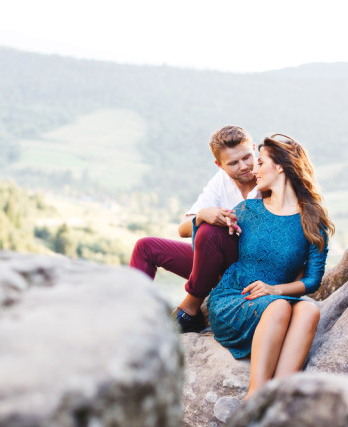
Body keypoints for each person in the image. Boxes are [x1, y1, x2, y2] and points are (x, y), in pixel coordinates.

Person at [206, 133, 334, 399]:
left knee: (310, 310)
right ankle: (256, 397)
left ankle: (279, 398)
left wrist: (274, 289)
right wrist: (204, 216)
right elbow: (206, 243)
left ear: (280, 167)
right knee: (278, 307)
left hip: (277, 297)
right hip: (235, 298)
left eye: (260, 162)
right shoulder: (247, 210)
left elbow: (313, 281)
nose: (254, 169)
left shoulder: (313, 220)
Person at [129, 125, 260, 332]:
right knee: (145, 247)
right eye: (233, 163)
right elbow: (183, 229)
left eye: (247, 157)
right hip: (215, 265)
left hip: (251, 270)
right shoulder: (221, 181)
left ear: (254, 148)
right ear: (219, 165)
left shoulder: (269, 177)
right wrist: (200, 216)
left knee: (210, 232)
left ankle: (190, 309)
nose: (244, 166)